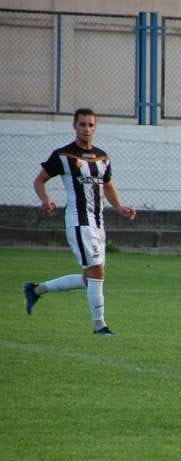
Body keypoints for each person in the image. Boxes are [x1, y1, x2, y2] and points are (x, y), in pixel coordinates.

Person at [24, 108, 136, 336]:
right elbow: (39, 181)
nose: (86, 129)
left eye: (90, 125)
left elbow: (108, 185)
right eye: (82, 124)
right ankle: (100, 326)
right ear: (74, 126)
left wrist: (119, 207)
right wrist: (45, 199)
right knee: (96, 272)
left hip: (98, 223)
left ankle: (36, 290)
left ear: (96, 127)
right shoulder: (64, 156)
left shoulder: (102, 157)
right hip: (78, 222)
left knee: (90, 277)